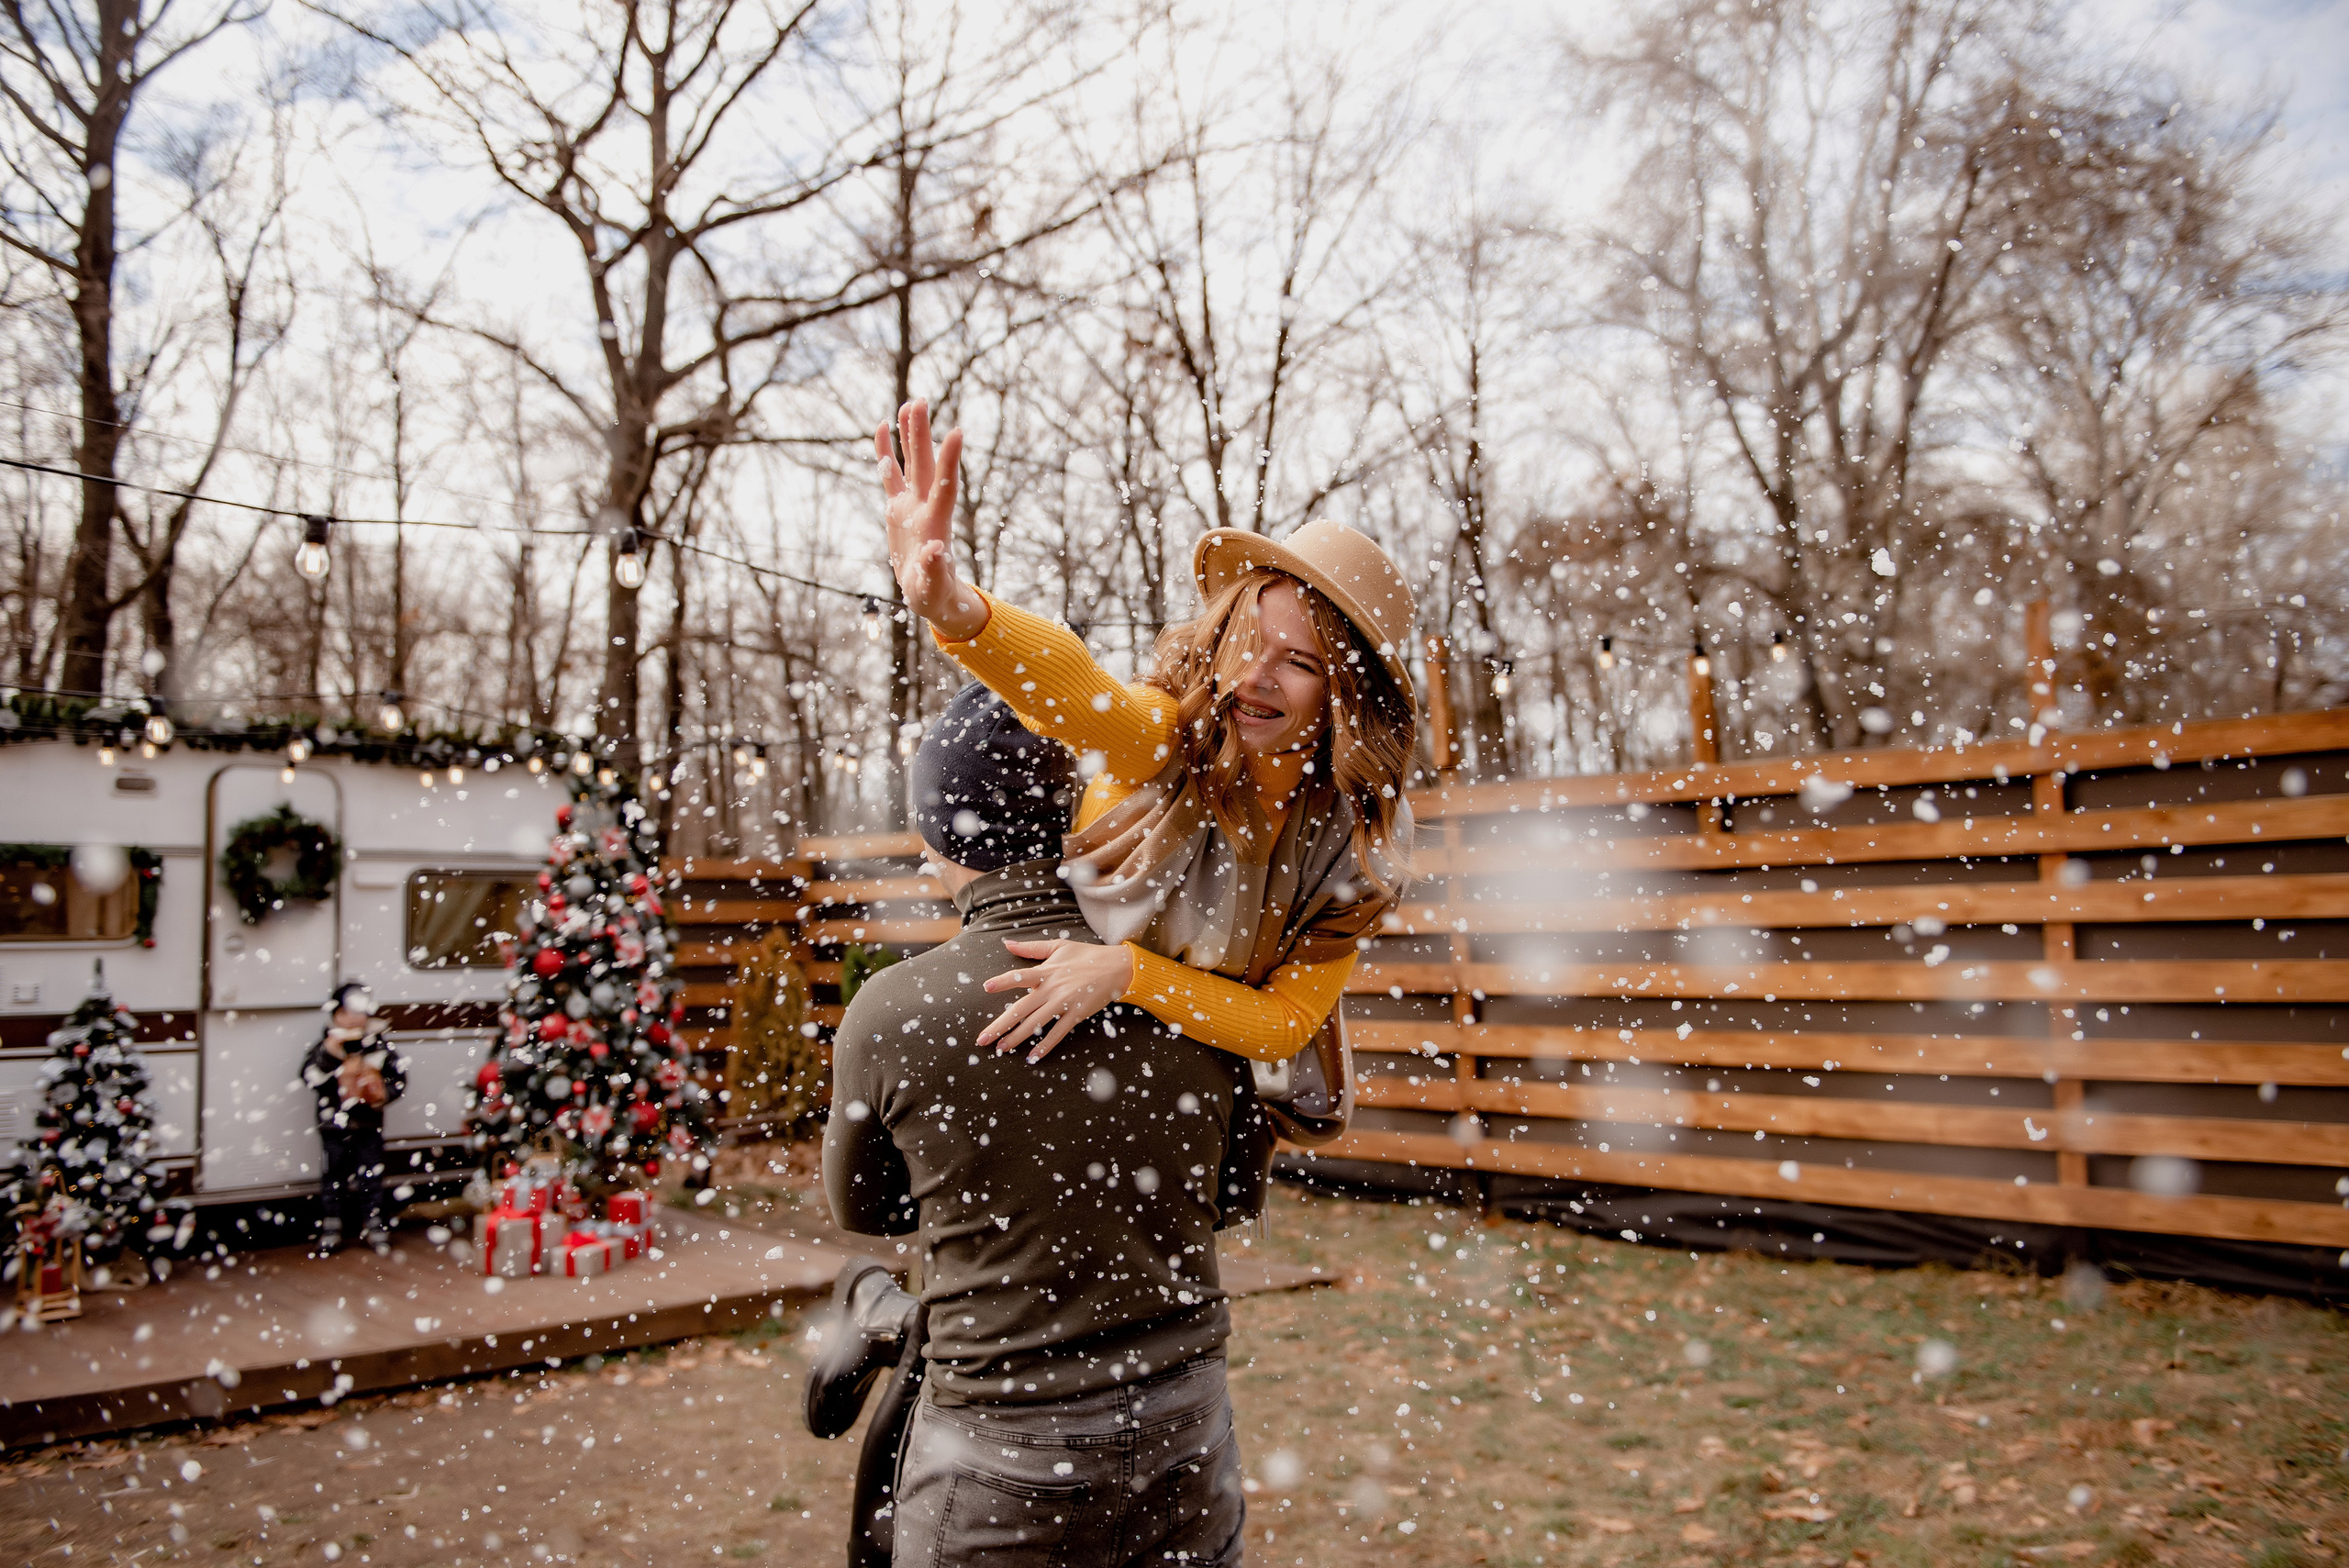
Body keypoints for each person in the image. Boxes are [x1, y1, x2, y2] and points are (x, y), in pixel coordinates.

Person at [819, 683, 1263, 1567]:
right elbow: (1233, 1192)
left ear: (943, 836)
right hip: (1187, 1428)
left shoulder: (892, 1010)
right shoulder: (1194, 988)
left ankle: (877, 1317)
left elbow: (864, 1209)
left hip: (996, 1448)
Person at [874, 400, 1419, 1112]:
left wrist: (1129, 974)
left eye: (1299, 663)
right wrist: (960, 613)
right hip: (1064, 1023)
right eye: (1247, 642)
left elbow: (1287, 1021)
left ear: (1345, 697)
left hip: (1195, 1086)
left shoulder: (1353, 841)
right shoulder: (1176, 734)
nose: (1253, 677)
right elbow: (1090, 701)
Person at [301, 982, 406, 1255]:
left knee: (370, 1176)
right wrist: (329, 1056)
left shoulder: (377, 1044)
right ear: (336, 1015)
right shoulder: (328, 1045)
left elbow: (399, 1078)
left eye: (360, 1012)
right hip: (333, 1124)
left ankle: (374, 1225)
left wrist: (383, 1092)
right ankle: (332, 1226)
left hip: (368, 1124)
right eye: (348, 1012)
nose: (354, 1019)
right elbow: (309, 1076)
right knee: (332, 1175)